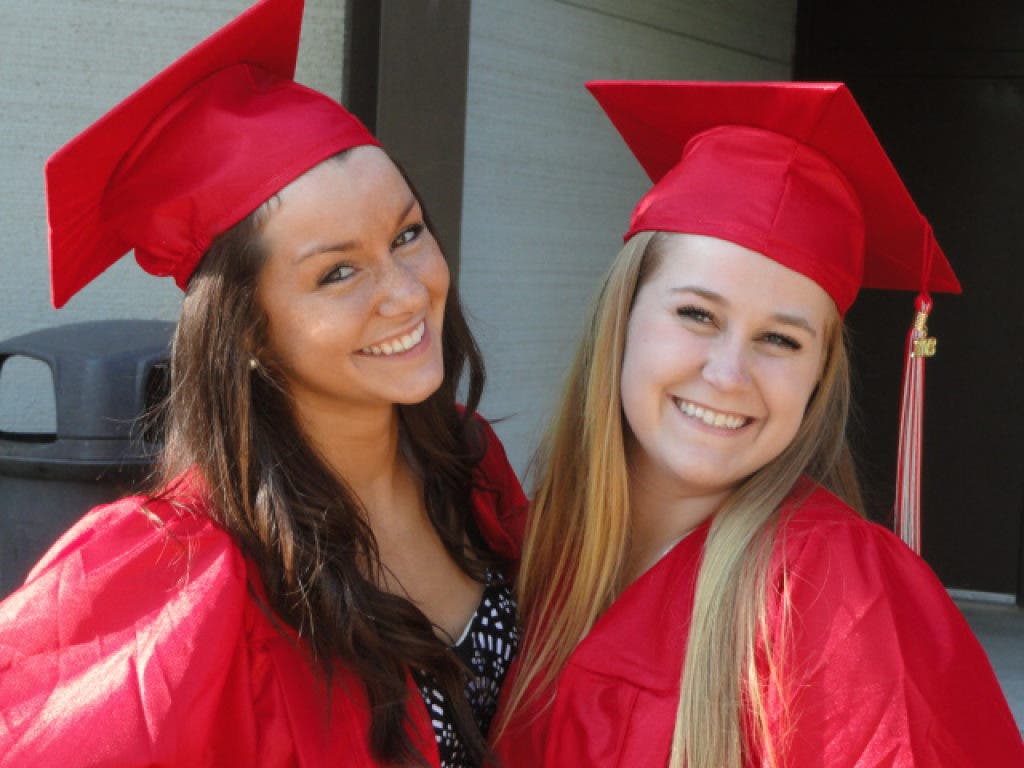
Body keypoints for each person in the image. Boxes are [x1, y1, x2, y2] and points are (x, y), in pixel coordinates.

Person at [0, 1, 526, 766]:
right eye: (338, 272)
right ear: (245, 330)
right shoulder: (179, 571)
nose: (409, 293)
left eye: (407, 233)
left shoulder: (468, 464)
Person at [493, 81, 1024, 767]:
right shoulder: (533, 546)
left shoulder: (831, 592)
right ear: (621, 318)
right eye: (697, 315)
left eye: (781, 340)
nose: (727, 374)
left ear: (819, 375)